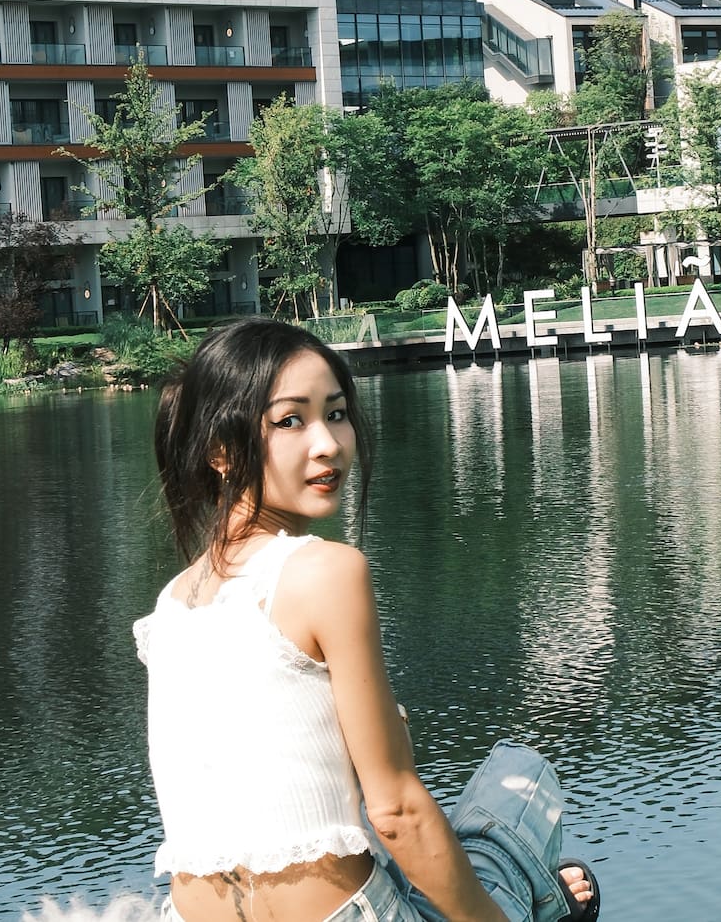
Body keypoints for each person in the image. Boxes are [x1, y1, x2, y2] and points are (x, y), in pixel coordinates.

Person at [135, 318, 599, 922]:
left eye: (335, 413)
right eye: (290, 421)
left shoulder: (171, 606)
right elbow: (397, 813)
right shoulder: (326, 571)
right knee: (522, 778)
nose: (328, 444)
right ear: (221, 451)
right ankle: (545, 902)